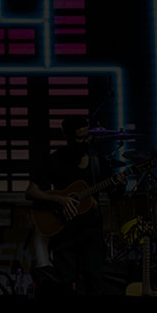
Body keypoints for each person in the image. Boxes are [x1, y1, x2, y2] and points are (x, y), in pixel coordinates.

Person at [25, 116, 126, 296]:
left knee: (94, 284)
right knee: (66, 286)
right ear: (68, 138)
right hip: (63, 232)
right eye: (80, 138)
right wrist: (60, 200)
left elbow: (113, 195)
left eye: (87, 137)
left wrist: (121, 185)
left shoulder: (98, 162)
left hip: (91, 231)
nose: (85, 141)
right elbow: (31, 191)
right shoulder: (55, 160)